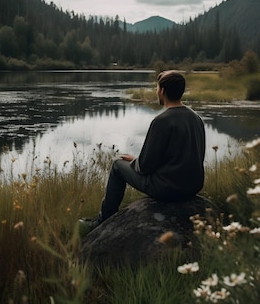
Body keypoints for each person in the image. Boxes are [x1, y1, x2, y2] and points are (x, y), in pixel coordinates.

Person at [79, 70, 206, 233]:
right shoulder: (196, 118)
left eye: (156, 87)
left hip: (168, 189)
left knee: (117, 166)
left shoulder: (161, 121)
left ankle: (103, 220)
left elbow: (145, 167)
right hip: (193, 186)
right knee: (128, 163)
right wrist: (136, 160)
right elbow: (187, 157)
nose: (156, 91)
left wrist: (134, 162)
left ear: (162, 91)